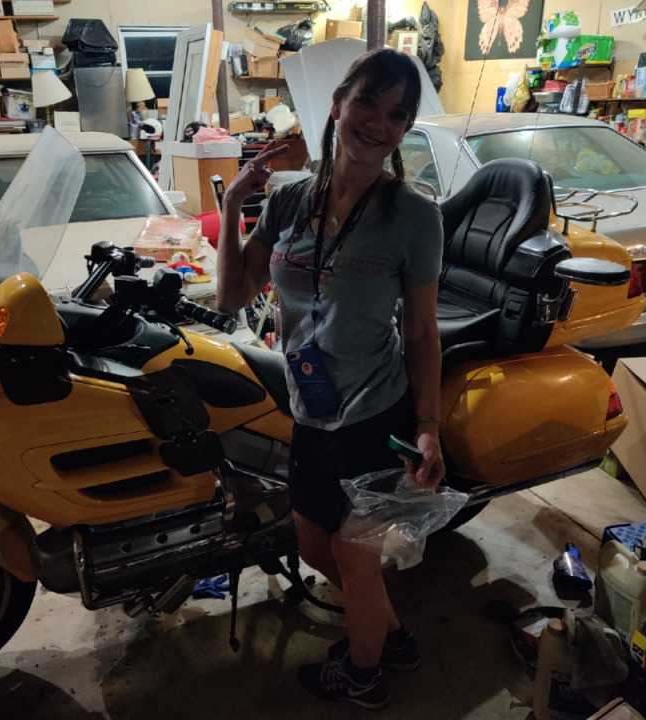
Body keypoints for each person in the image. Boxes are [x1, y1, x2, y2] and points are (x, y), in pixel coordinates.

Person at [216, 48, 445, 709]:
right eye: (368, 101)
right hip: (309, 406)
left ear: (405, 130)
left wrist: (427, 427)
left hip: (376, 413)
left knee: (353, 555)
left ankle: (364, 675)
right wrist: (231, 206)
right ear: (339, 103)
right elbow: (233, 296)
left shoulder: (414, 216)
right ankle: (391, 636)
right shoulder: (289, 200)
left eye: (397, 114)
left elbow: (422, 332)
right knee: (313, 542)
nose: (378, 122)